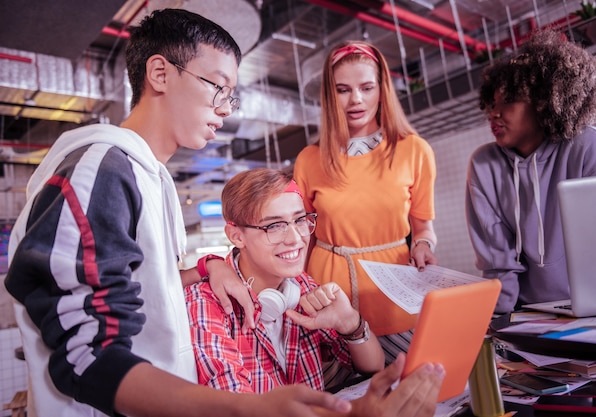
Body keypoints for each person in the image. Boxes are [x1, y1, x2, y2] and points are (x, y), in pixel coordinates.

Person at [4, 8, 443, 417]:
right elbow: (87, 354)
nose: (225, 108)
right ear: (160, 73)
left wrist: (205, 266)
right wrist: (246, 409)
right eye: (217, 87)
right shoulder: (100, 168)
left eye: (231, 96)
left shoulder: (148, 179)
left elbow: (138, 293)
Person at [292, 41, 437, 364]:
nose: (355, 99)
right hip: (327, 294)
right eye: (343, 90)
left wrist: (423, 245)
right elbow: (304, 237)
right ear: (330, 96)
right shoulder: (309, 160)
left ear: (382, 90)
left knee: (405, 387)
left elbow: (423, 225)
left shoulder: (414, 150)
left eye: (366, 87)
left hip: (394, 291)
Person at [465, 29, 596, 314]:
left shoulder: (588, 146)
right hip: (532, 315)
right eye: (491, 105)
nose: (494, 114)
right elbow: (498, 265)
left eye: (508, 101)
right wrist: (497, 325)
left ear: (544, 100)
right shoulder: (484, 164)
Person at [185, 167, 385, 393]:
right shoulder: (206, 302)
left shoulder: (304, 286)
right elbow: (233, 405)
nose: (296, 238)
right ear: (237, 236)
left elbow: (374, 367)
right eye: (275, 226)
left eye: (300, 220)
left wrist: (350, 323)